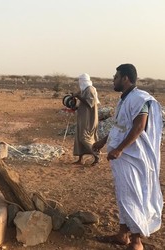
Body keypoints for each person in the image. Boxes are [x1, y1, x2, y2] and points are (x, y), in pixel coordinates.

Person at [93, 64, 163, 250]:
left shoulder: (140, 98)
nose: (113, 80)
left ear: (125, 78)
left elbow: (139, 126)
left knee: (133, 195)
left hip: (134, 158)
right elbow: (119, 126)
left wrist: (120, 149)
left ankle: (136, 241)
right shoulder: (125, 99)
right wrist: (102, 142)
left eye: (115, 76)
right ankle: (122, 234)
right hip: (122, 159)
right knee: (123, 195)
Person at [72, 73, 100, 166]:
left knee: (85, 138)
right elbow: (83, 104)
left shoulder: (90, 89)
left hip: (88, 118)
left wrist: (78, 96)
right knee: (79, 137)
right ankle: (80, 158)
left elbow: (89, 103)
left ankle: (96, 156)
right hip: (83, 117)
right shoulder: (84, 90)